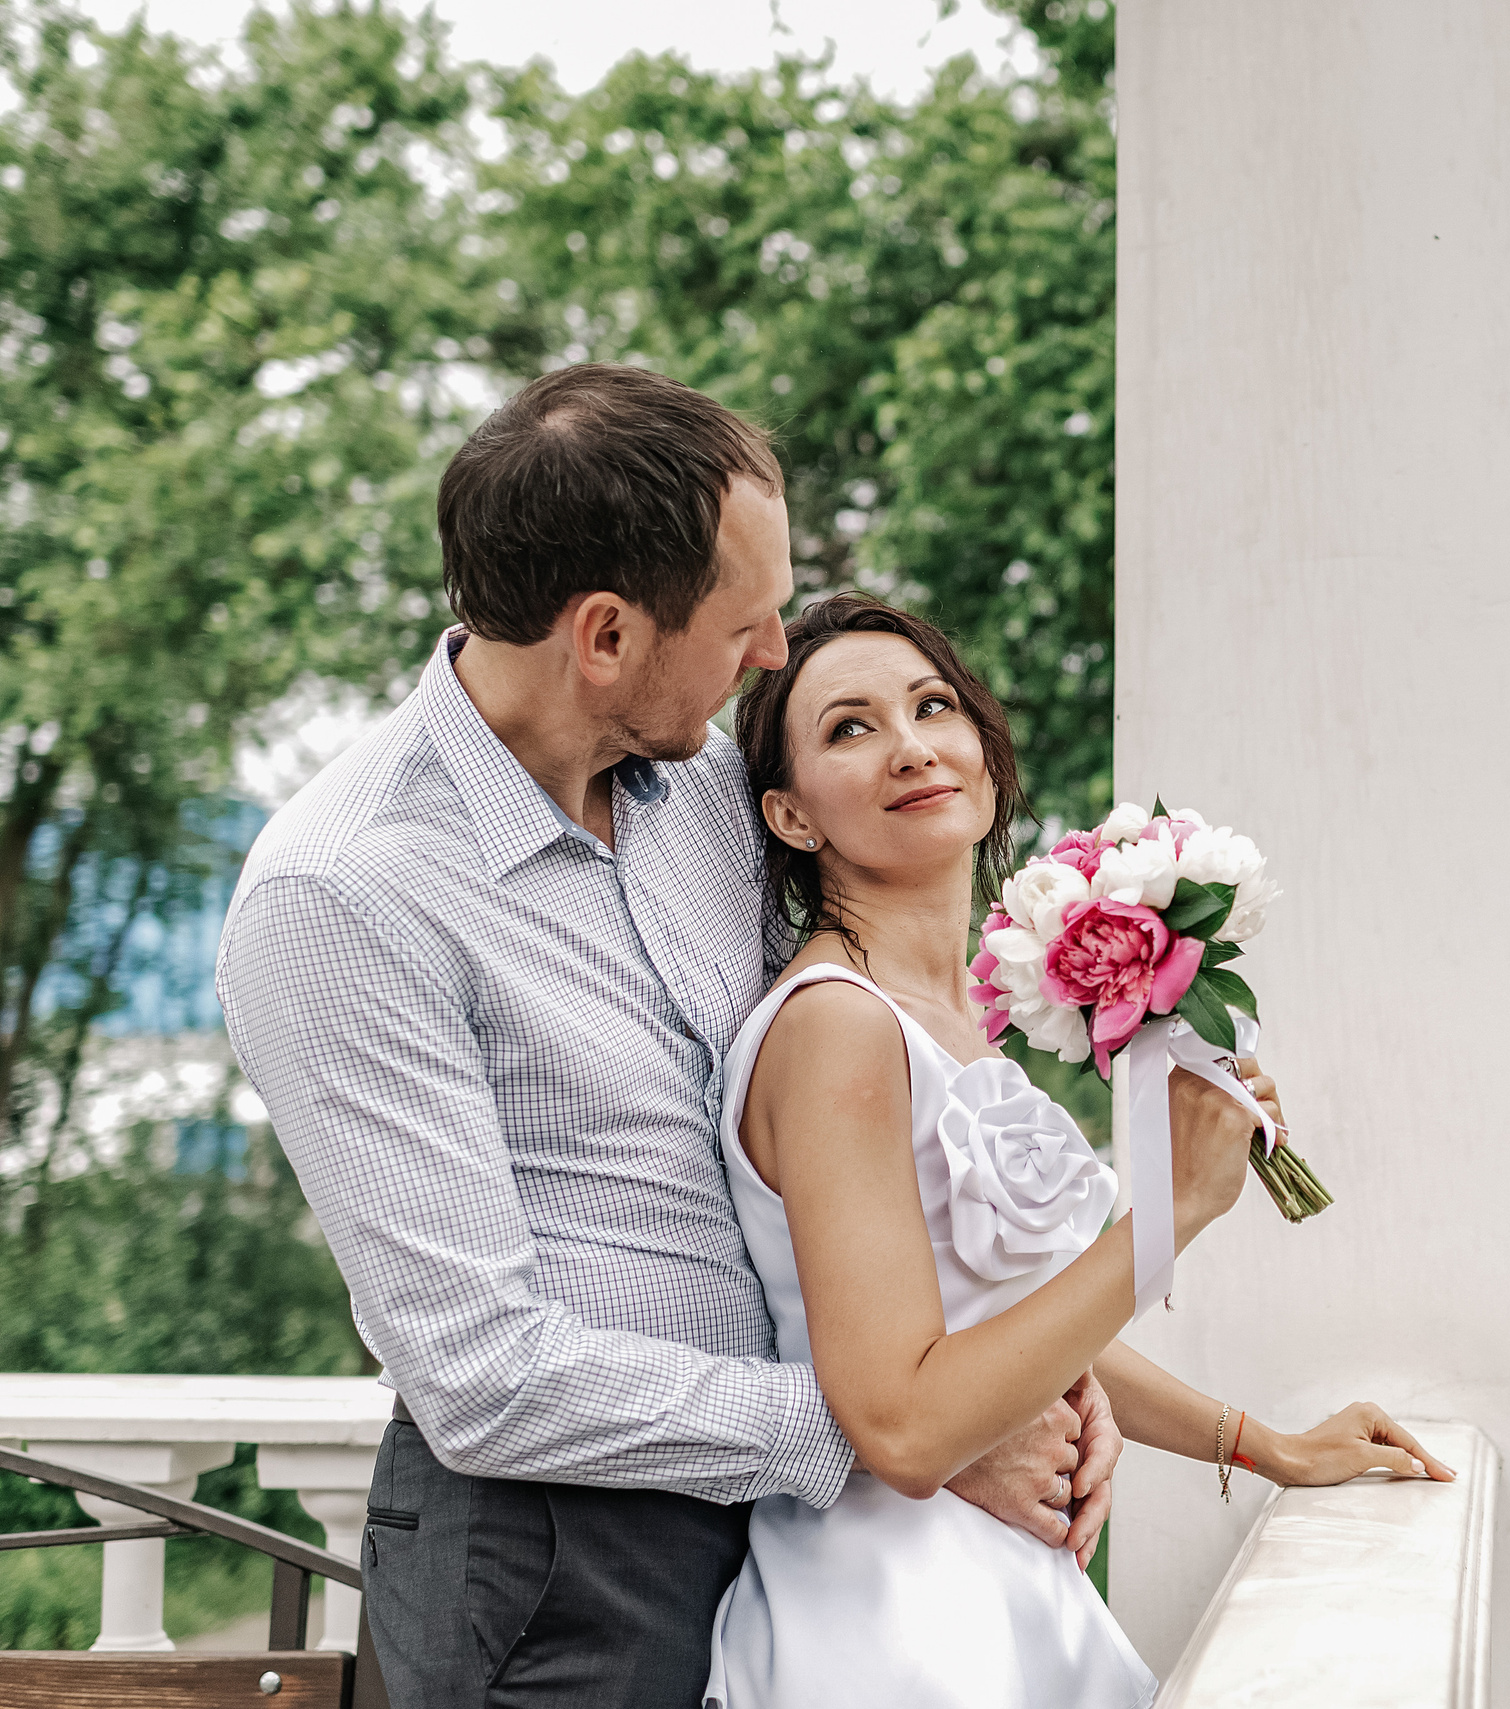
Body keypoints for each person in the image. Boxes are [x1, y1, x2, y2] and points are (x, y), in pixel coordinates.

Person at [215, 365, 1108, 1709]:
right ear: (606, 636)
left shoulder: (700, 789)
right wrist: (886, 1432)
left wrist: (1004, 1374)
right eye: (746, 623)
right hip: (557, 1569)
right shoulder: (342, 895)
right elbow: (483, 1375)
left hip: (798, 1544)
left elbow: (847, 1126)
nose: (769, 656)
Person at [702, 594, 1453, 1709]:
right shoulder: (836, 1026)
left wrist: (1260, 1444)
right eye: (848, 728)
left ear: (987, 757)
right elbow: (905, 1426)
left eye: (933, 705)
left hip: (1002, 1587)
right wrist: (1172, 1214)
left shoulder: (947, 1014)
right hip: (893, 1625)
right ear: (791, 815)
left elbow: (1011, 1328)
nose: (911, 744)